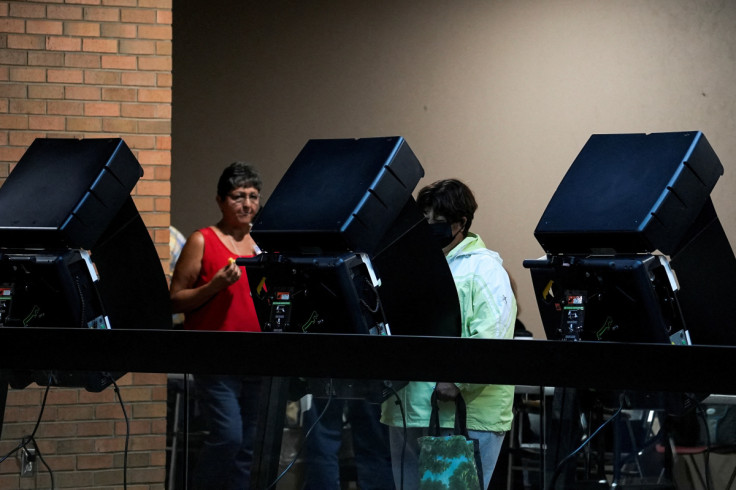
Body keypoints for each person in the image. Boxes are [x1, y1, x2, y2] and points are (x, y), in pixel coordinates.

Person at [381, 178, 517, 490]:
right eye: (423, 220)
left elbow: (492, 337)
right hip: (410, 408)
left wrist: (458, 379)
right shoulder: (414, 265)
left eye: (437, 222)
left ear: (461, 223)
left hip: (464, 414)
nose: (428, 227)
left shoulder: (483, 269)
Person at [169, 161, 264, 490]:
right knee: (228, 437)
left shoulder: (261, 244)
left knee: (247, 446)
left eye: (253, 196)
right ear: (221, 200)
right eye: (238, 196)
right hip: (215, 358)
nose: (247, 204)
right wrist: (213, 286)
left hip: (258, 359)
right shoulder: (203, 240)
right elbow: (174, 300)